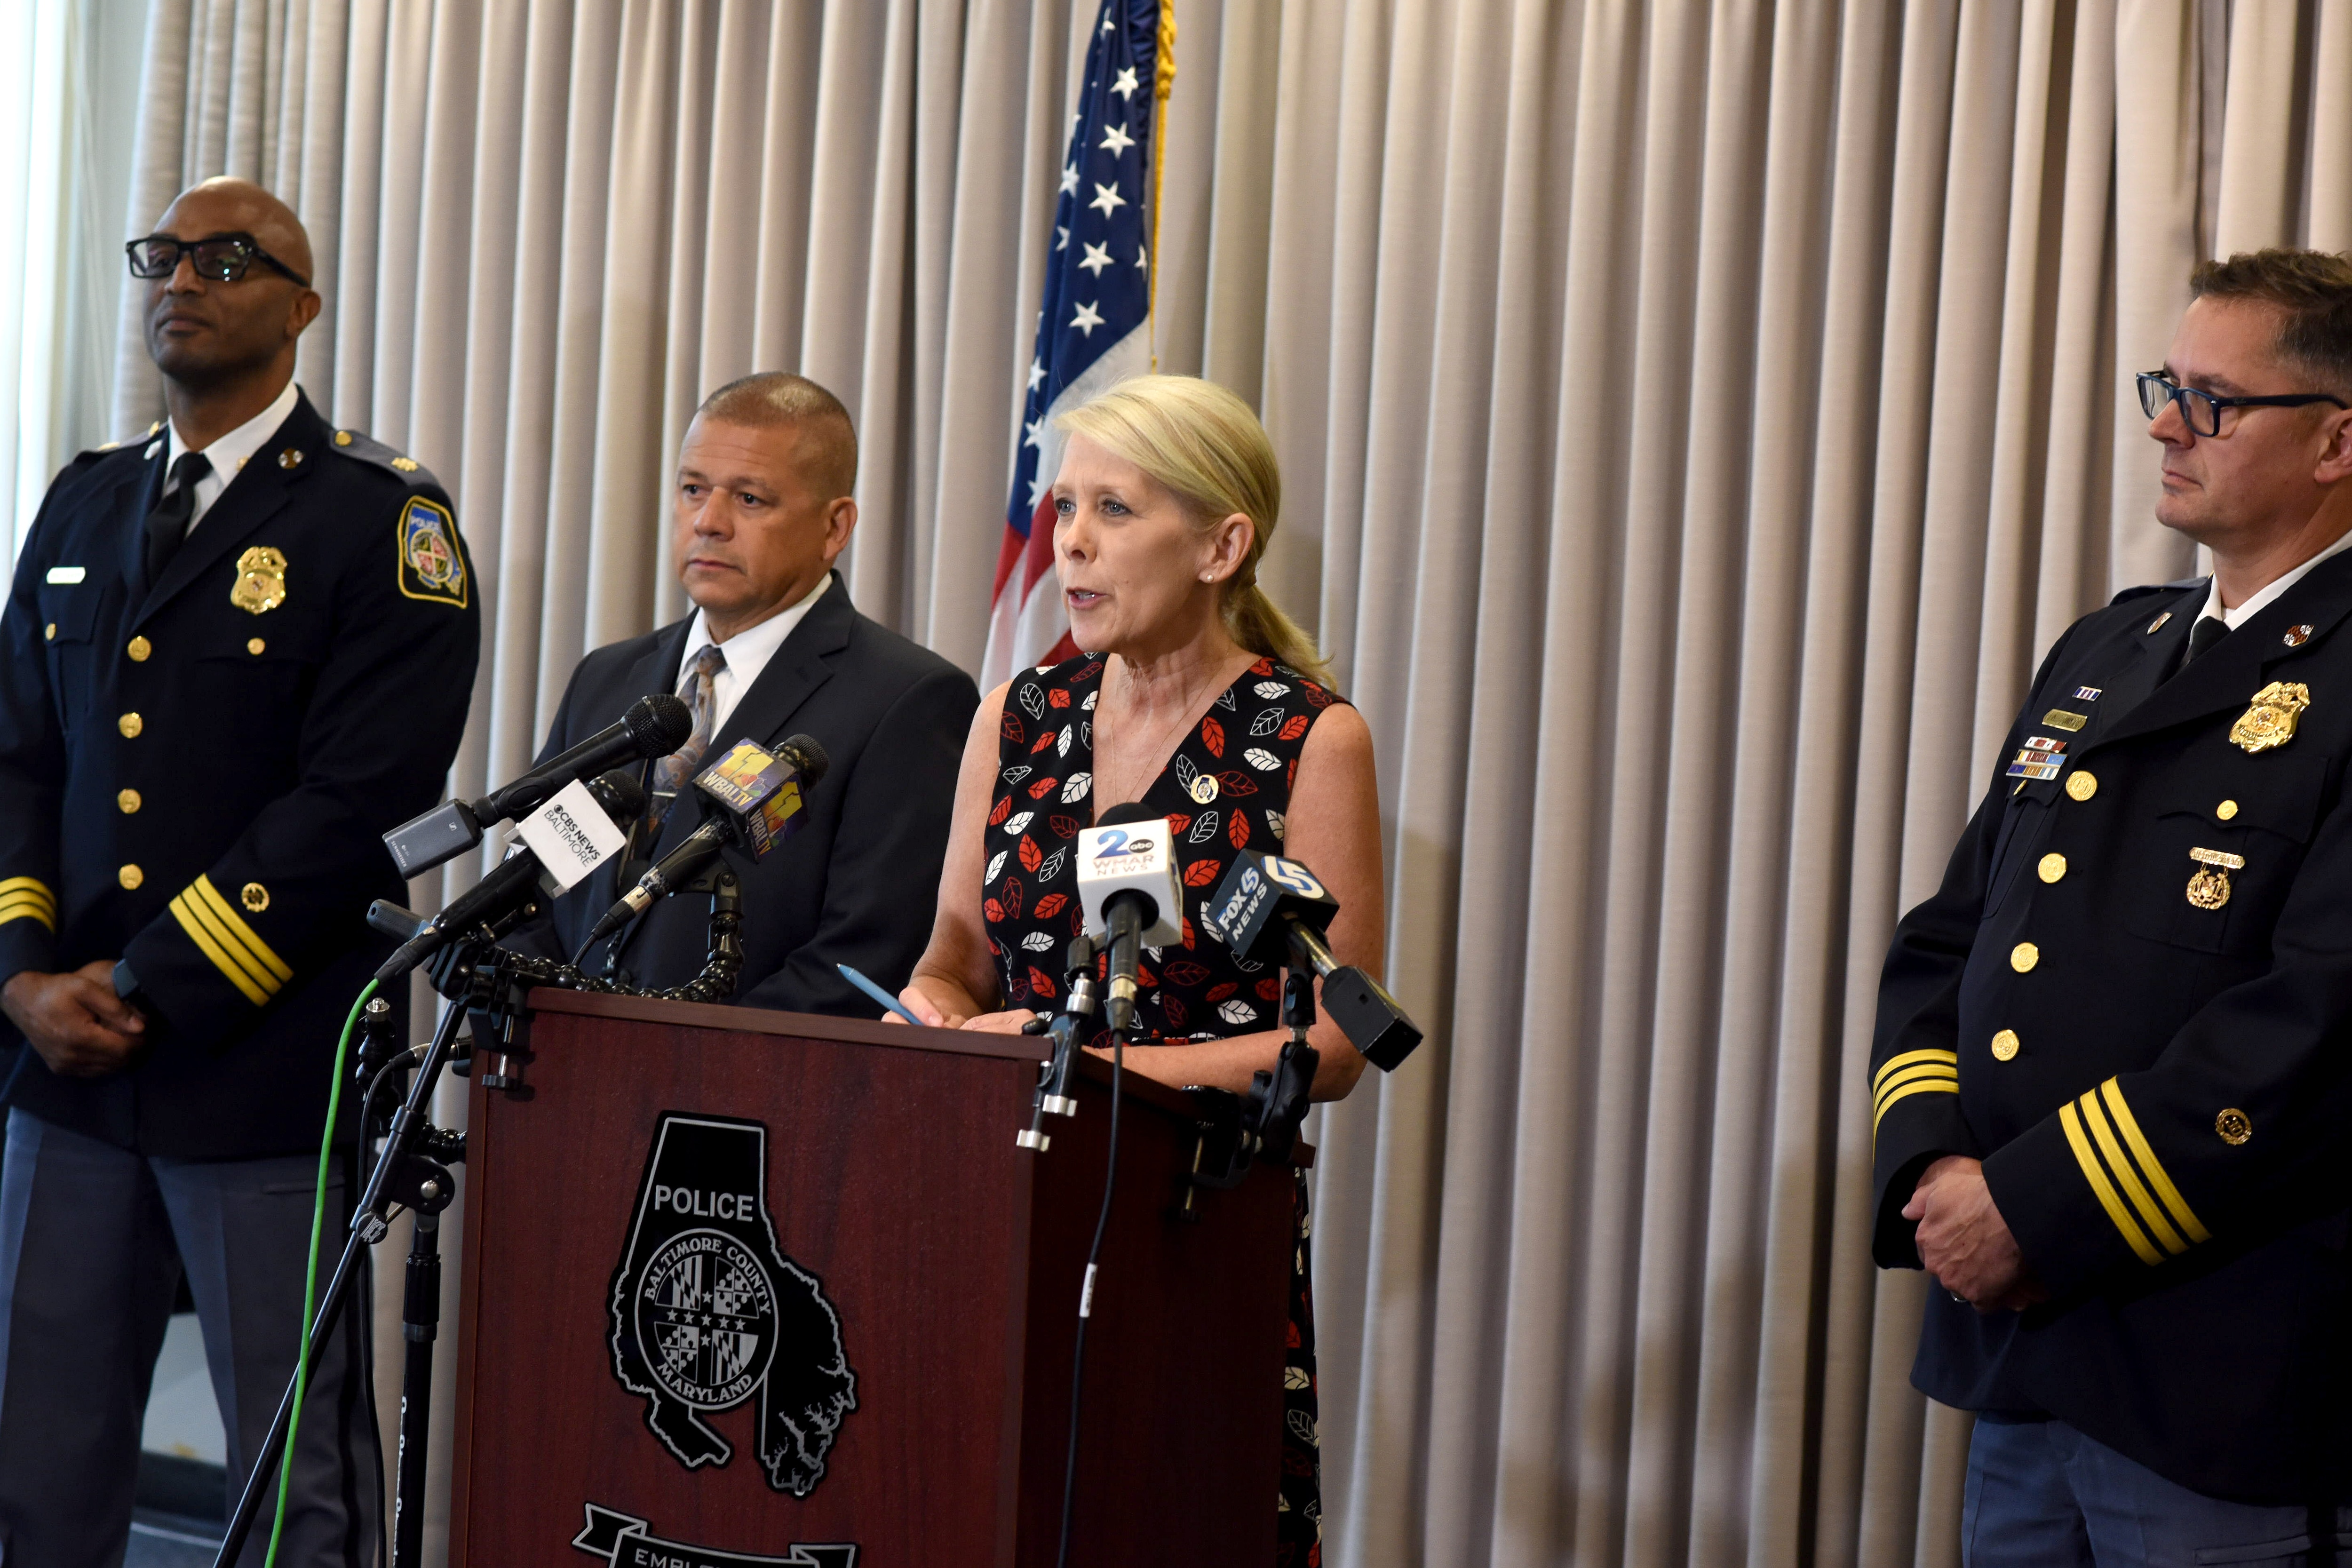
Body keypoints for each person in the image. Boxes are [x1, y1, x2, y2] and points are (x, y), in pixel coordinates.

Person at [0, 178, 480, 1563]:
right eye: (162, 254)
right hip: (63, 1072)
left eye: (227, 258)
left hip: (266, 1063)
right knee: (35, 1464)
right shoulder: (84, 502)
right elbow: (17, 760)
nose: (183, 278)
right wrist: (26, 975)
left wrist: (148, 981)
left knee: (292, 1486)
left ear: (302, 307)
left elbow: (363, 801)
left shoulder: (381, 522)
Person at [1869, 248, 2352, 1562]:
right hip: (2024, 1341)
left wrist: (2035, 1206)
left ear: (2334, 441)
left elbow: (2315, 1023)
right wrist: (1937, 1169)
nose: (2163, 422)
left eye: (2211, 398)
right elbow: (1951, 938)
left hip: (2217, 1357)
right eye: (2165, 386)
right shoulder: (2113, 647)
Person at [899, 374, 1384, 1564]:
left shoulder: (1309, 737)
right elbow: (953, 956)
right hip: (999, 1211)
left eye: (1115, 509)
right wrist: (932, 1017)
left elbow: (1334, 1042)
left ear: (1224, 543)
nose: (1071, 539)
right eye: (1068, 506)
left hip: (1195, 1224)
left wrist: (1090, 1063)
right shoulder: (1016, 715)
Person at [519, 373, 977, 1010]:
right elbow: (531, 886)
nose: (709, 522)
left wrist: (665, 1061)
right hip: (560, 1077)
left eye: (751, 500)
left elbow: (861, 959)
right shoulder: (606, 679)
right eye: (692, 489)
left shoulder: (908, 700)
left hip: (745, 1096)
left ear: (834, 527)